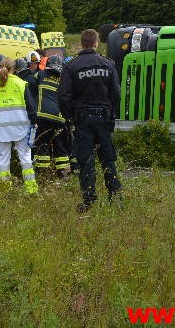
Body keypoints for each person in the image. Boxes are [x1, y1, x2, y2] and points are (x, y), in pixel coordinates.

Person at [58, 29, 122, 212]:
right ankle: (115, 196)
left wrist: (69, 117)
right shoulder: (108, 64)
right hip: (103, 117)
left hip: (82, 119)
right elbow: (116, 93)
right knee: (108, 159)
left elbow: (63, 96)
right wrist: (110, 111)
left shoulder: (72, 66)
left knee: (85, 160)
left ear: (81, 44)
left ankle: (89, 200)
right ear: (96, 43)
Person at [0, 57, 38, 194]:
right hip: (20, 127)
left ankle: (5, 189)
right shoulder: (21, 84)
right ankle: (31, 189)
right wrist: (34, 121)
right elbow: (30, 106)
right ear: (14, 69)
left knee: (3, 158)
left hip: (1, 129)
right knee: (25, 158)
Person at [33, 55, 71, 177]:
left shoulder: (40, 75)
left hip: (43, 117)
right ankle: (64, 173)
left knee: (42, 144)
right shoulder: (64, 80)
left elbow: (31, 88)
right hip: (59, 119)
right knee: (60, 145)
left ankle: (42, 173)